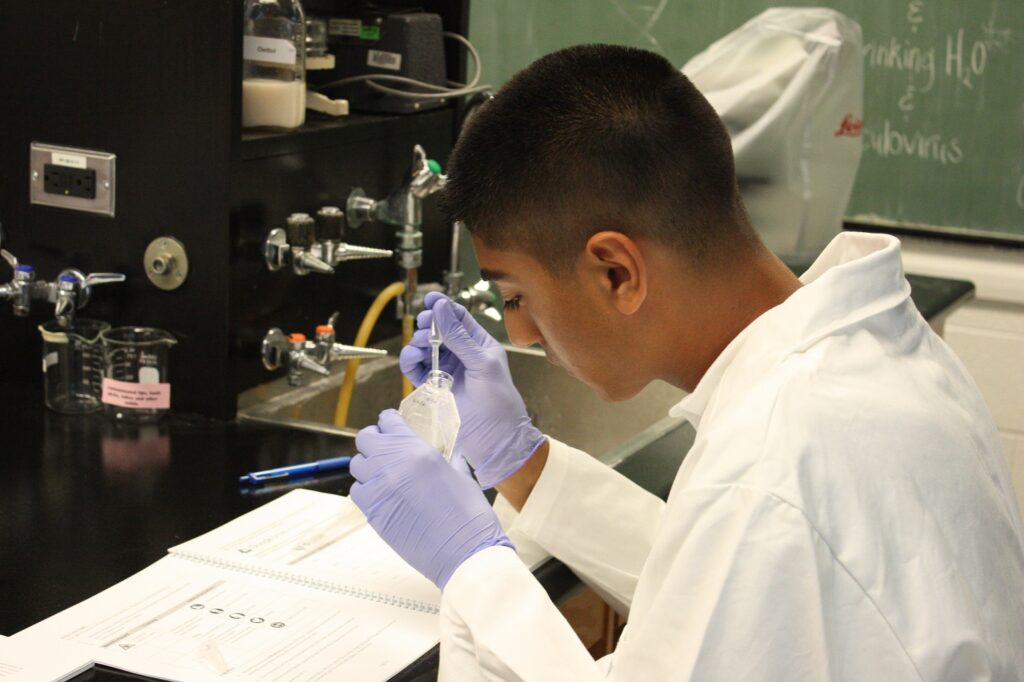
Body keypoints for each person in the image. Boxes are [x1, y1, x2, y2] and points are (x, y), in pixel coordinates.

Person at [349, 45, 1024, 680]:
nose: (521, 335)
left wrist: (474, 569)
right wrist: (522, 465)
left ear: (617, 272)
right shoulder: (864, 357)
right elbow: (721, 586)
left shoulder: (769, 461)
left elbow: (747, 535)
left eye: (518, 296)